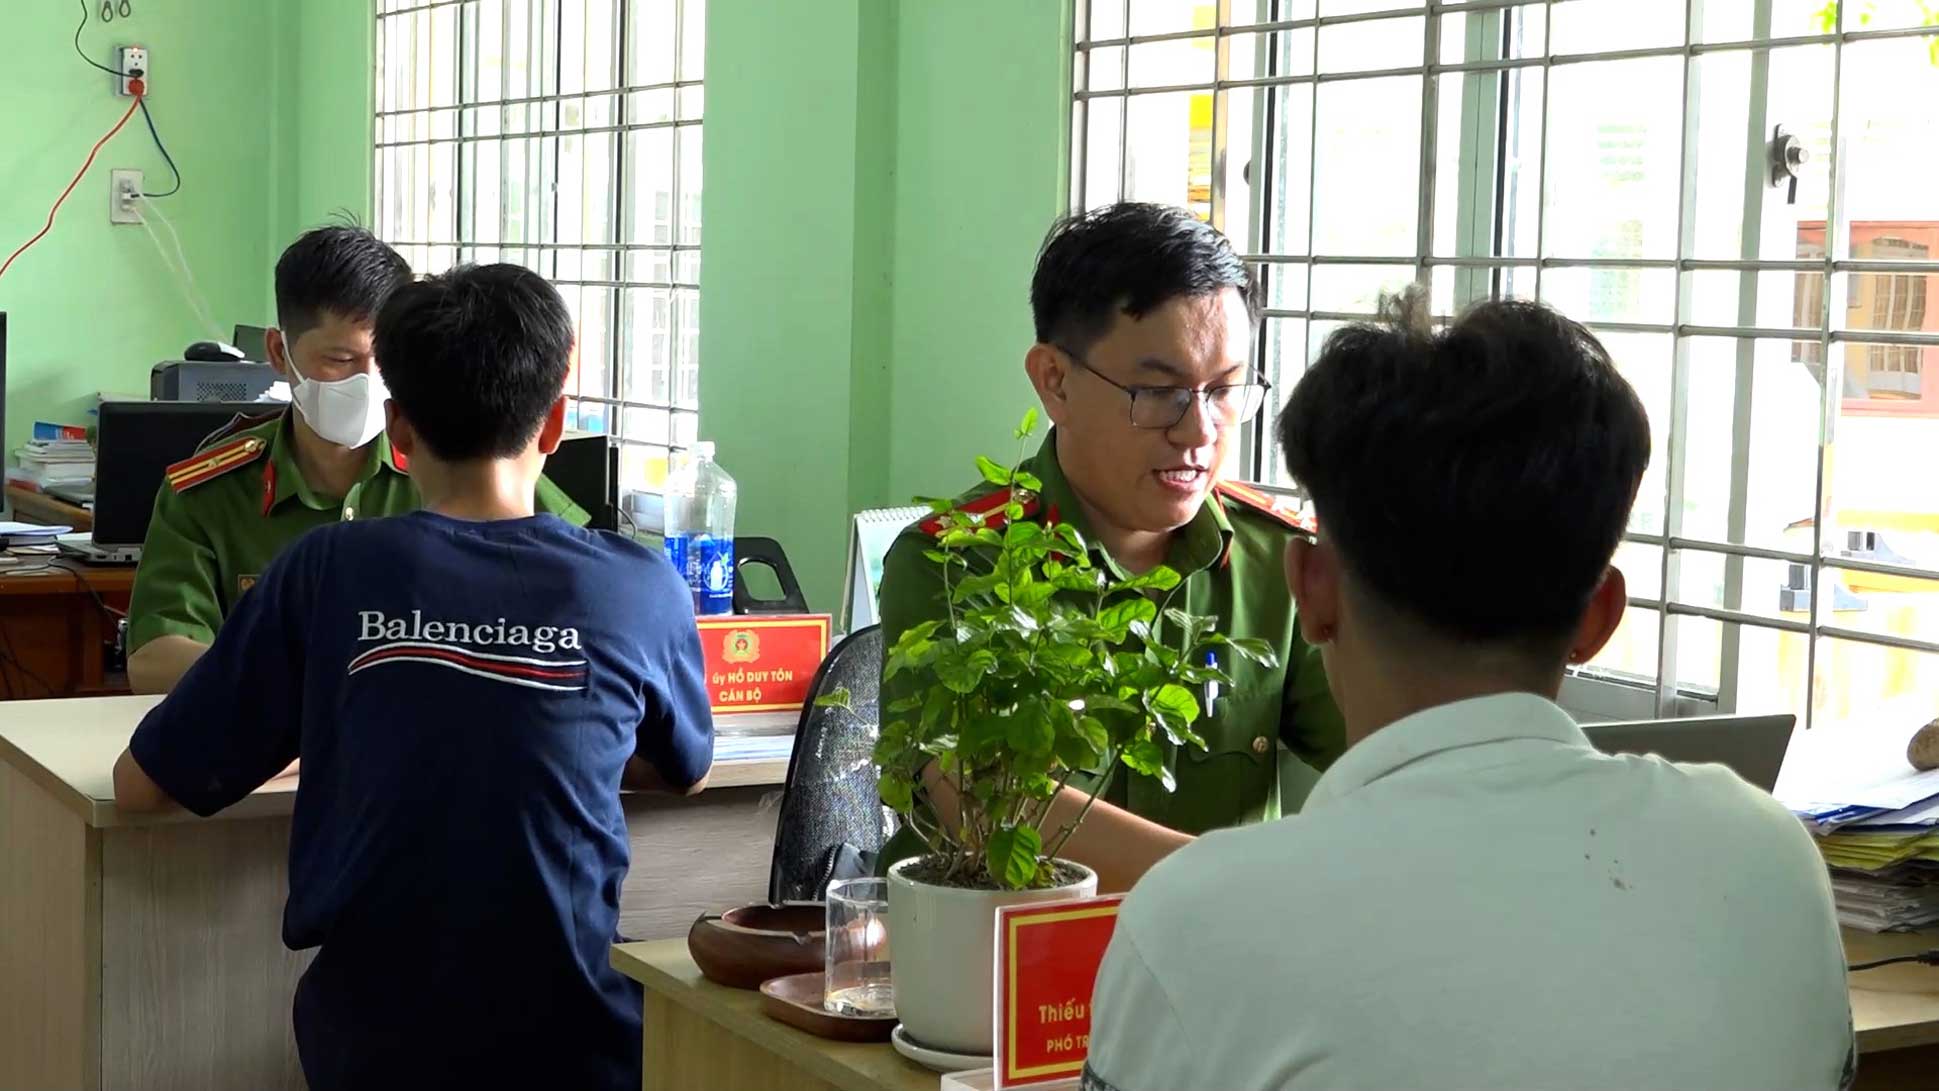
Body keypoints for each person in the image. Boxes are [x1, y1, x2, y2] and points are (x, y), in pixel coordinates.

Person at [1082, 293, 1855, 1091]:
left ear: (1309, 590)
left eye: (1221, 388)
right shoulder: (1769, 856)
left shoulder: (1198, 921)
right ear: (1598, 617)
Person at [110, 263, 714, 1091]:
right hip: (577, 1042)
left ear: (397, 427)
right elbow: (686, 767)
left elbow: (142, 785)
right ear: (554, 424)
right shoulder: (639, 584)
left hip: (371, 1047)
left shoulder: (327, 570)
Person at [875, 202, 1343, 892]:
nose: (1199, 431)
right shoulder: (957, 562)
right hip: (1005, 951)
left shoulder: (1278, 561)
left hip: (1215, 951)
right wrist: (1255, 886)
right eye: (1157, 392)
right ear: (1055, 381)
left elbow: (1399, 754)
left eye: (1223, 391)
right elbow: (989, 804)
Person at [126, 225, 590, 694]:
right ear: (279, 353)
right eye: (340, 360)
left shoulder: (458, 461)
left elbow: (583, 601)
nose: (368, 383)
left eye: (384, 361)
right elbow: (153, 659)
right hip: (274, 738)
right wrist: (316, 679)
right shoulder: (210, 492)